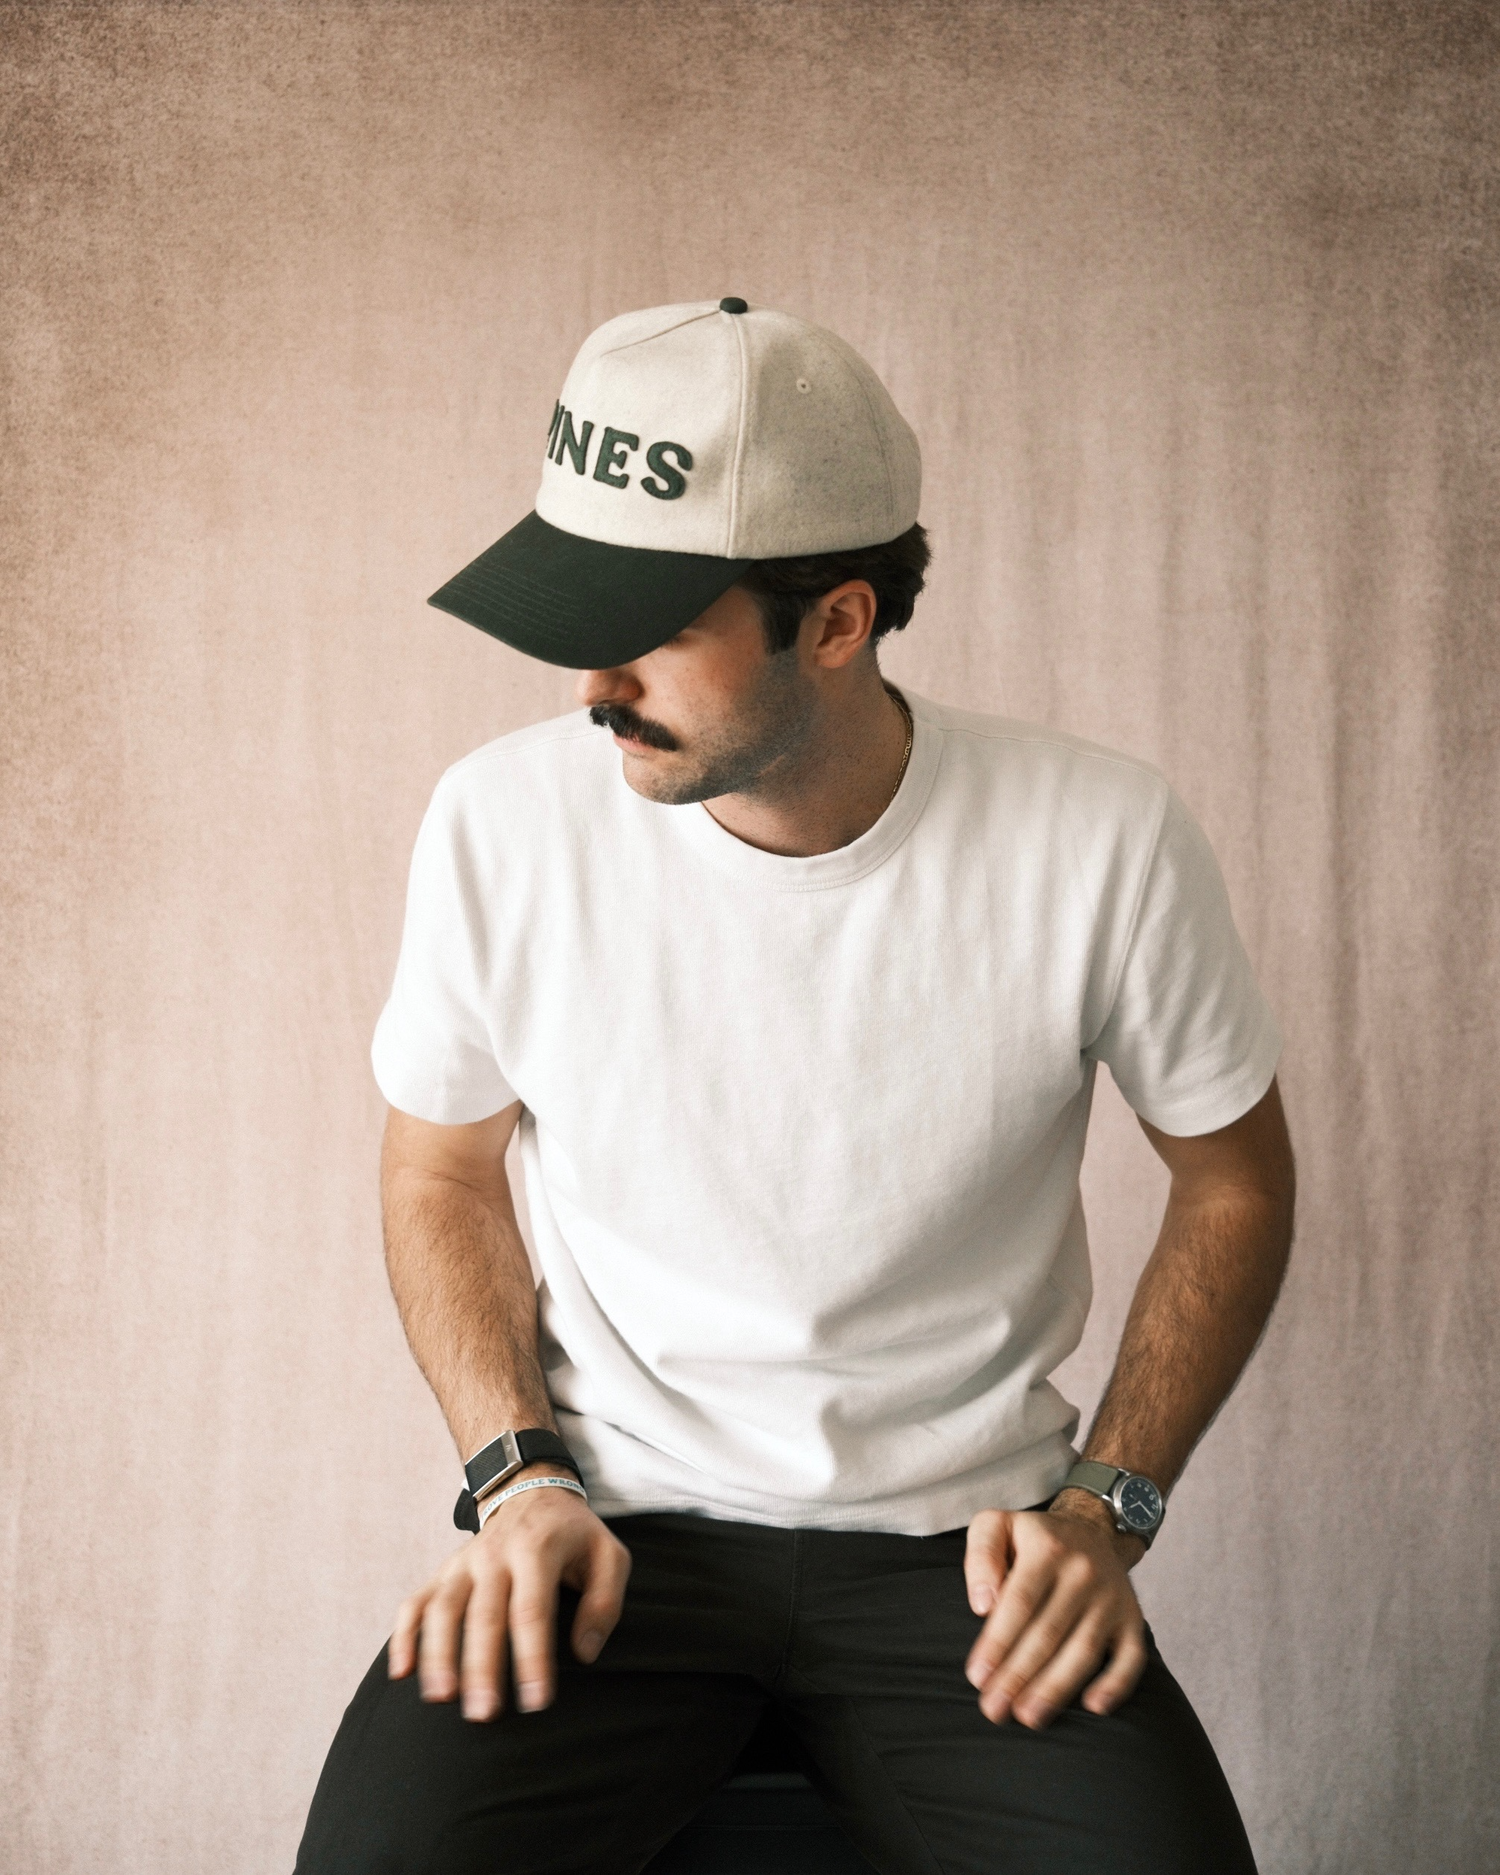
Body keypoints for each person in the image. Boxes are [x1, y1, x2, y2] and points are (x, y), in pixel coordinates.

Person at [296, 299, 1294, 1875]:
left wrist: (1111, 1510)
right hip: (613, 1528)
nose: (588, 686)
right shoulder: (500, 822)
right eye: (574, 614)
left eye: (647, 627)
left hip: (965, 1550)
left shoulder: (1102, 838)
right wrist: (515, 1479)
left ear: (835, 620)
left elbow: (1232, 1174)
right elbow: (438, 1166)